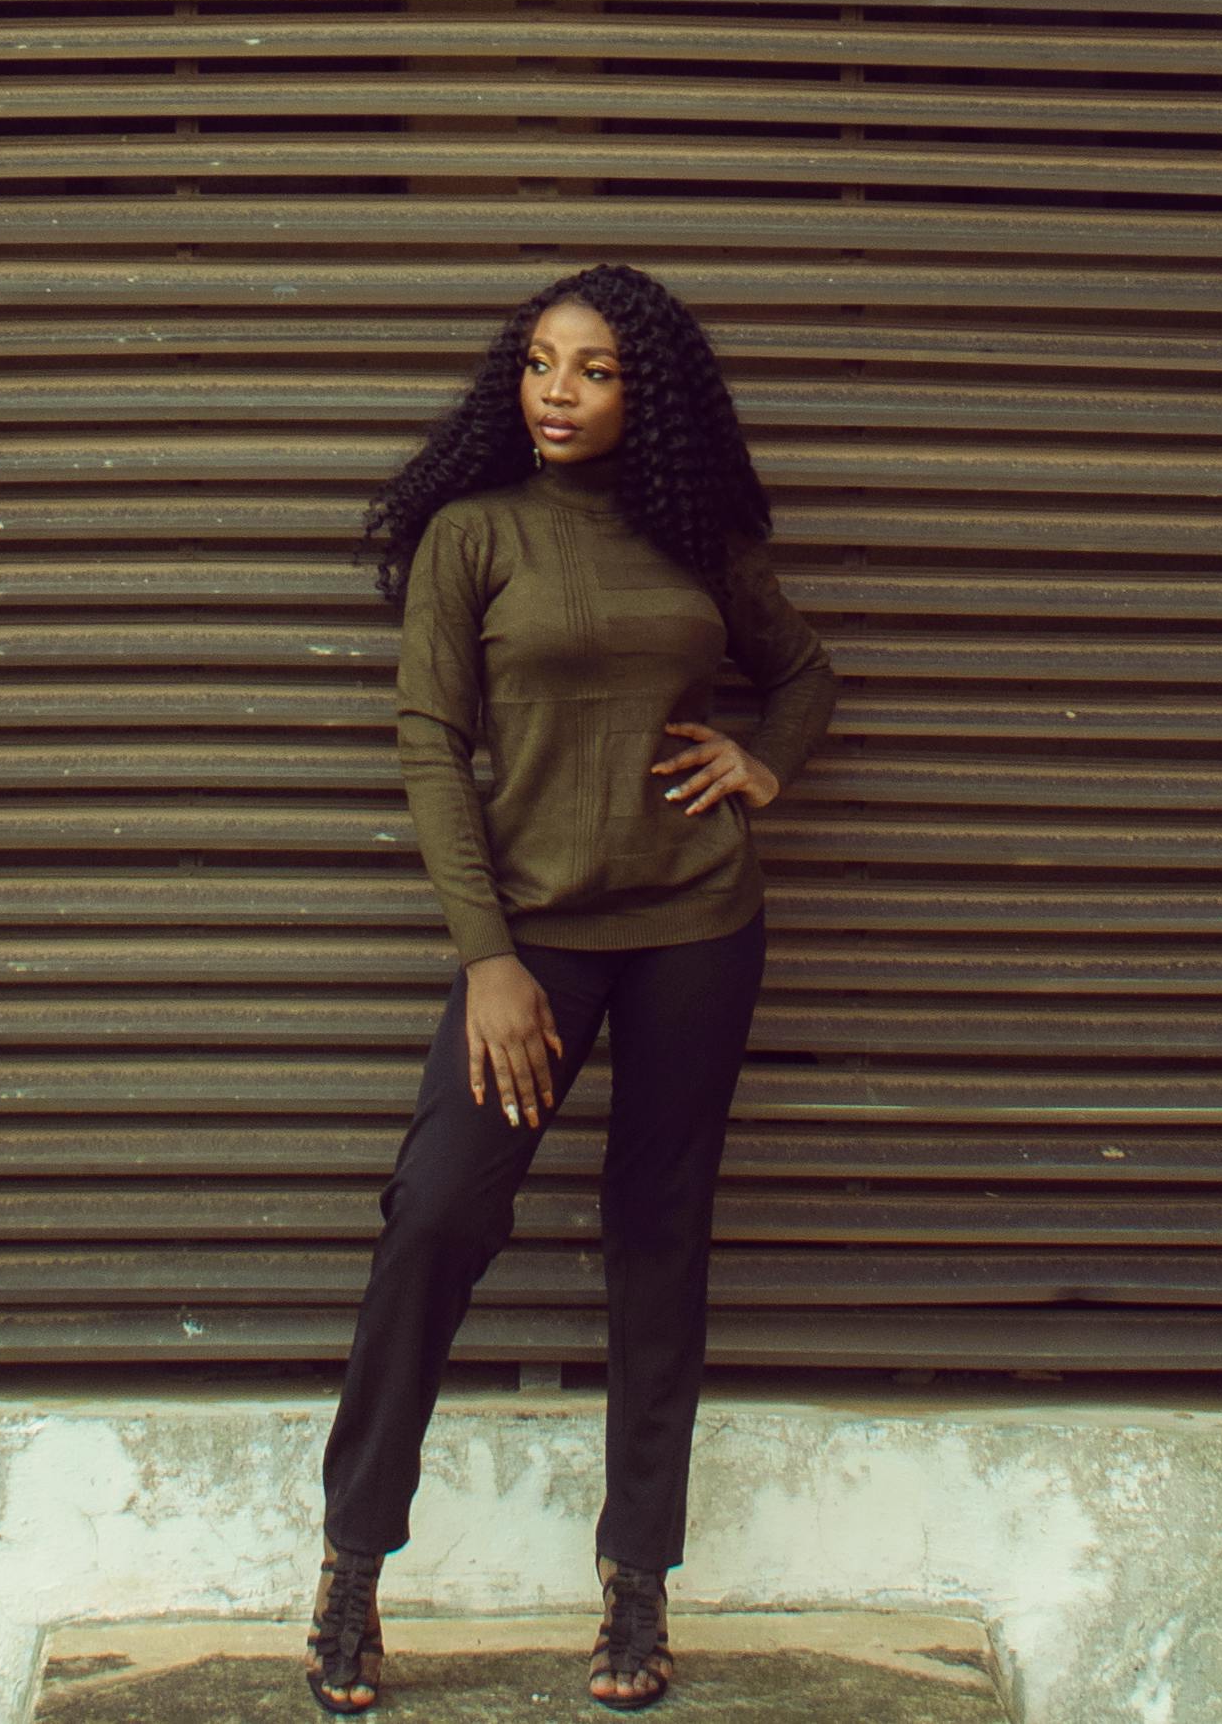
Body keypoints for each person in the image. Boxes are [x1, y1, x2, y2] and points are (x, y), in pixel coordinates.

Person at [305, 260, 838, 1714]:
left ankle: (635, 1587)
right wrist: (487, 959)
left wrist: (761, 763)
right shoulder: (469, 536)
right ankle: (354, 1566)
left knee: (657, 1234)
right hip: (530, 938)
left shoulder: (699, 541)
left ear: (642, 391)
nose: (557, 390)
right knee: (438, 1213)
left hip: (694, 928)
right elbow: (430, 744)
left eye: (594, 369)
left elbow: (801, 674)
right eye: (540, 361)